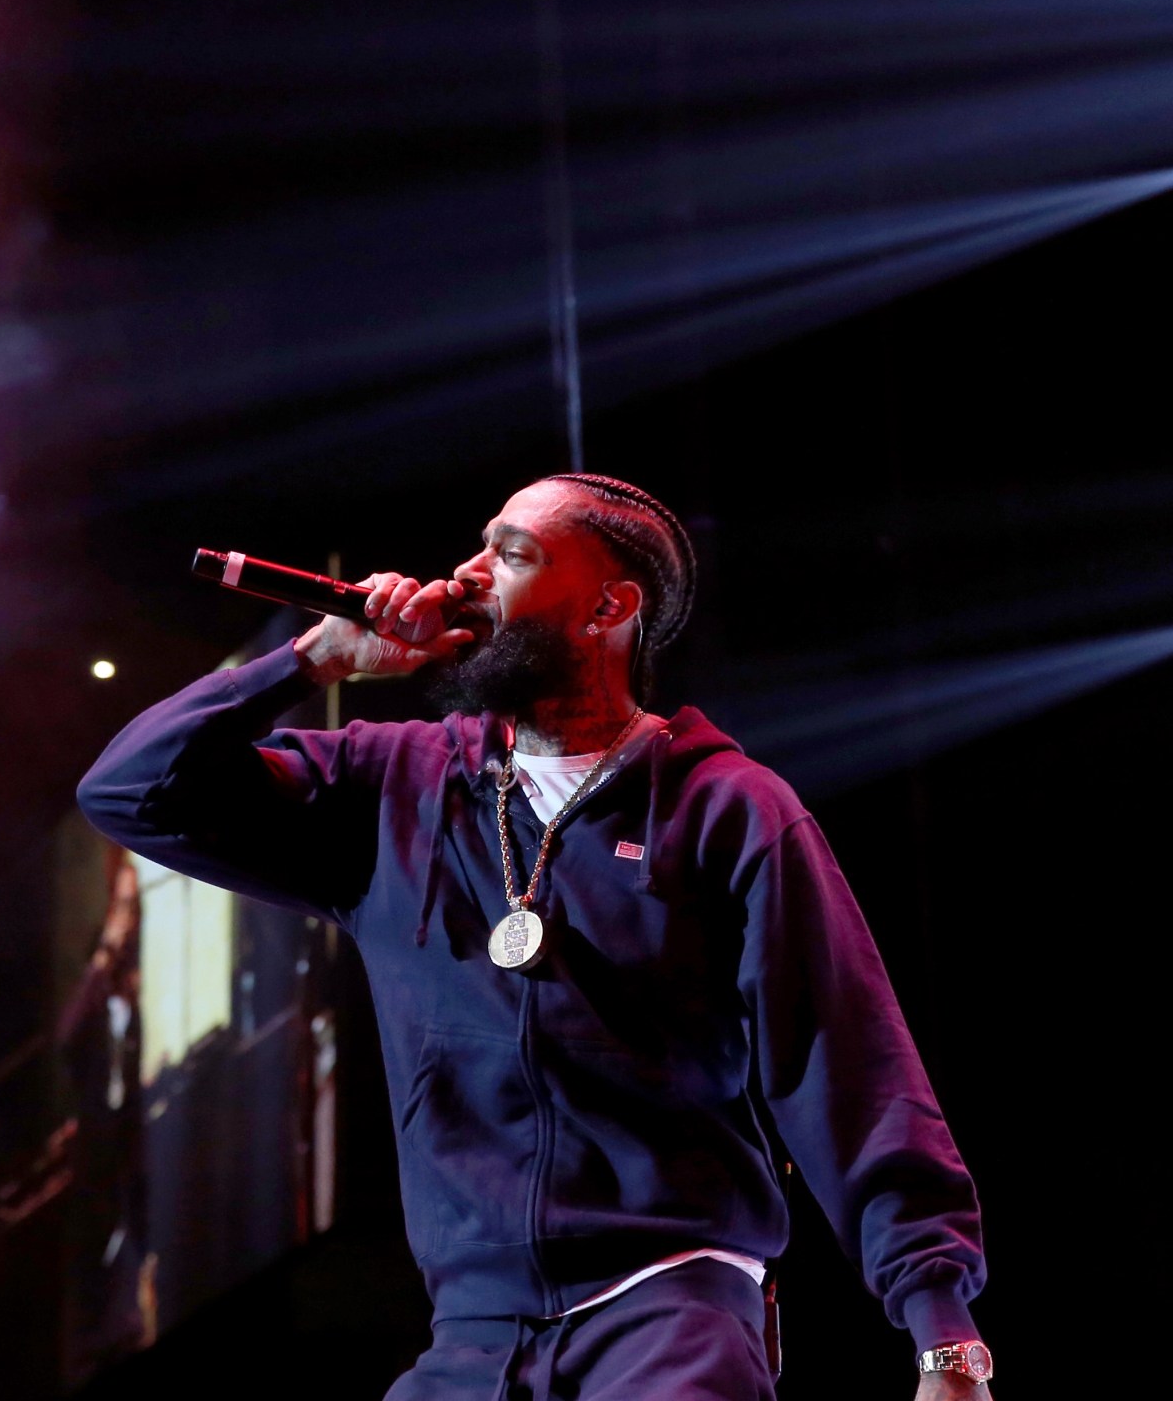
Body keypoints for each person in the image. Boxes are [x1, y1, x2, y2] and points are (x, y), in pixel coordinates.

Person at [77, 474, 993, 1400]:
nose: (468, 575)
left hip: (667, 1311)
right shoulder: (394, 787)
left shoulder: (726, 811)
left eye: (512, 555)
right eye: (479, 546)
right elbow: (127, 793)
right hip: (472, 1337)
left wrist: (941, 1331)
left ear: (608, 606)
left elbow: (847, 1069)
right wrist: (313, 660)